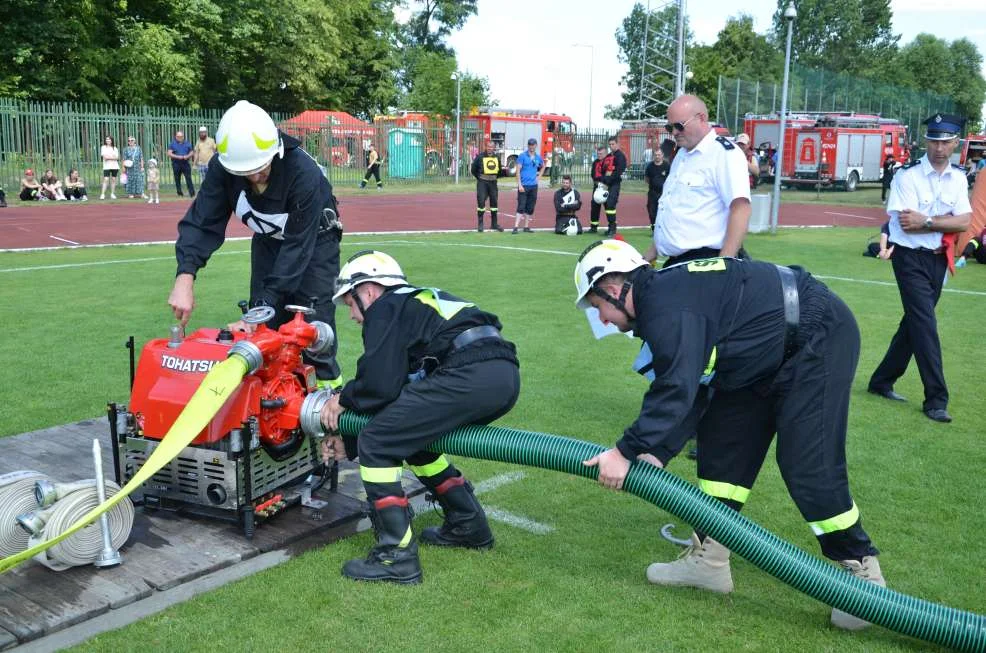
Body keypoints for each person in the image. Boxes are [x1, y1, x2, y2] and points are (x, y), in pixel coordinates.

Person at [574, 239, 884, 631]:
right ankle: (711, 560)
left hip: (816, 337)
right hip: (761, 356)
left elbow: (676, 388)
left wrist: (624, 450)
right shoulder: (664, 298)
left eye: (597, 306)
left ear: (615, 287)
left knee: (808, 465)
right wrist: (656, 450)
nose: (602, 320)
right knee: (721, 448)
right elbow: (700, 386)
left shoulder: (667, 306)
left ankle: (863, 574)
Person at [318, 250, 520, 584]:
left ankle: (396, 557)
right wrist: (348, 442)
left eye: (350, 304)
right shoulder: (416, 303)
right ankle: (468, 524)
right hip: (501, 374)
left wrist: (343, 400)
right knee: (413, 441)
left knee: (378, 443)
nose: (353, 316)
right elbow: (397, 395)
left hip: (468, 374)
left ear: (367, 290)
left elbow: (379, 385)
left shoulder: (385, 307)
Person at [168, 100, 343, 387]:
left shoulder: (304, 173)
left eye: (261, 168)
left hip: (314, 245)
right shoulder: (223, 168)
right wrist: (184, 277)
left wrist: (260, 310)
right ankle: (269, 414)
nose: (254, 177)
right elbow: (202, 222)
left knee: (313, 335)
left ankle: (329, 416)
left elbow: (297, 250)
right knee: (263, 335)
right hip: (268, 243)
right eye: (244, 172)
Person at [868, 113, 971, 424]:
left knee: (913, 324)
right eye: (934, 140)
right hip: (909, 259)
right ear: (926, 141)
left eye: (946, 142)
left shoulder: (959, 178)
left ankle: (881, 381)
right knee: (925, 325)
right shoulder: (906, 176)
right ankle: (936, 399)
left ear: (956, 143)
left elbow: (965, 221)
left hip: (938, 258)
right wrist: (941, 222)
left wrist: (926, 220)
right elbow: (906, 225)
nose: (940, 148)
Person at [643, 94, 751, 268]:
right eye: (670, 127)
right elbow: (676, 210)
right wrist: (651, 252)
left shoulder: (724, 154)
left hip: (705, 263)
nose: (675, 133)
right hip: (678, 264)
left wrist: (722, 264)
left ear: (701, 118)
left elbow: (741, 208)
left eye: (679, 126)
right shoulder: (682, 155)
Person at [512, 138, 544, 234]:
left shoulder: (538, 157)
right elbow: (518, 171)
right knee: (521, 206)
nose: (531, 146)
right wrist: (519, 185)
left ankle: (526, 227)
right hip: (524, 186)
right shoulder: (522, 156)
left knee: (530, 207)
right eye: (530, 145)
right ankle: (516, 227)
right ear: (528, 145)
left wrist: (539, 177)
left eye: (533, 145)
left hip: (533, 186)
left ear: (536, 145)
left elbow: (543, 166)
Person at [471, 141, 503, 232]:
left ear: (494, 148)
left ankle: (494, 224)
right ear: (486, 147)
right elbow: (473, 169)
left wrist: (496, 177)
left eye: (491, 147)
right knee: (481, 202)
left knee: (494, 203)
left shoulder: (497, 157)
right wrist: (480, 178)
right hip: (482, 182)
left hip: (493, 182)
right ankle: (480, 224)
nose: (490, 148)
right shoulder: (480, 157)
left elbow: (499, 170)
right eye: (488, 146)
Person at [599, 136, 627, 237]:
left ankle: (613, 228)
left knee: (611, 204)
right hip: (606, 184)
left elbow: (619, 172)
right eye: (610, 144)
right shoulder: (609, 156)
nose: (611, 146)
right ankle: (610, 227)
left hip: (614, 184)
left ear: (617, 144)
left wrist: (608, 180)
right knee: (607, 205)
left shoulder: (620, 156)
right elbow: (603, 169)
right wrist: (603, 180)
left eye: (613, 144)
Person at [643, 148, 670, 232]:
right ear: (653, 156)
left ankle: (664, 229)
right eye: (655, 155)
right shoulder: (650, 166)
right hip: (653, 193)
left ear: (662, 155)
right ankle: (654, 229)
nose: (657, 156)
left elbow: (671, 178)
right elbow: (646, 179)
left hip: (664, 193)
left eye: (659, 155)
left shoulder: (667, 166)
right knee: (651, 211)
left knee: (664, 211)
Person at [167, 130, 195, 197]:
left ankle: (192, 193)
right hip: (176, 163)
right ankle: (179, 193)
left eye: (181, 136)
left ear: (183, 136)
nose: (179, 137)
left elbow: (192, 152)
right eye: (178, 136)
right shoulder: (172, 144)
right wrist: (178, 157)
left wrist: (187, 156)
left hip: (185, 163)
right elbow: (169, 153)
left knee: (188, 178)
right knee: (177, 179)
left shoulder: (187, 143)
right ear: (175, 136)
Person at [588, 145, 608, 234]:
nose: (599, 155)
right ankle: (593, 227)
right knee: (594, 207)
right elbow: (593, 174)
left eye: (601, 153)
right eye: (598, 153)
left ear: (605, 153)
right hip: (597, 187)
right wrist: (598, 183)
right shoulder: (595, 162)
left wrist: (604, 184)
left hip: (607, 187)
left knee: (608, 207)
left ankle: (611, 228)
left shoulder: (608, 162)